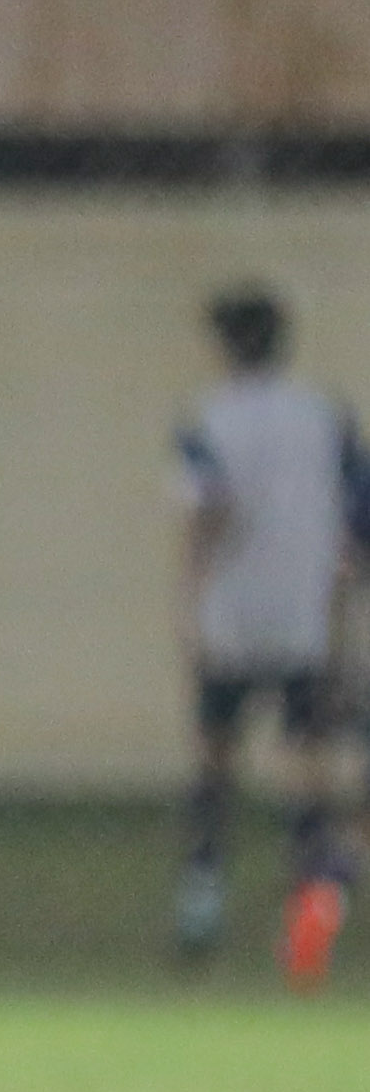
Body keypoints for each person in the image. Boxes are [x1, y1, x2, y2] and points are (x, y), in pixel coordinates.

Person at [172, 285, 366, 983]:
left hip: (232, 618)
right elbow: (356, 520)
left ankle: (202, 903)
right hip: (305, 621)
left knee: (214, 765)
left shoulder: (209, 419)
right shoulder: (325, 416)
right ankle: (311, 917)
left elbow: (206, 510)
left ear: (226, 346)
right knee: (307, 777)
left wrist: (189, 602)